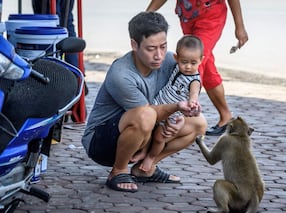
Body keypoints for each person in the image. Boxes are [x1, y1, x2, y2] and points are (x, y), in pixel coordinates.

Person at [81, 12, 207, 193]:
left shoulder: (172, 60)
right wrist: (176, 109)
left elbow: (193, 79)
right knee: (146, 114)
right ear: (134, 45)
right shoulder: (122, 74)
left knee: (199, 124)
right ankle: (118, 171)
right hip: (102, 142)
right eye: (151, 49)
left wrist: (180, 117)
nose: (159, 55)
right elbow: (149, 114)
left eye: (163, 47)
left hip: (146, 130)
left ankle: (146, 168)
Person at [146, 0, 249, 136]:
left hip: (211, 15)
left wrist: (239, 26)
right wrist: (148, 14)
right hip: (188, 17)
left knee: (193, 65)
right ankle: (226, 117)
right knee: (205, 66)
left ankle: (179, 118)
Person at [138, 35, 204, 172]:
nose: (188, 66)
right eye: (184, 61)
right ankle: (143, 150)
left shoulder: (194, 80)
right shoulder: (176, 67)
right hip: (158, 103)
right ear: (176, 58)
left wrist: (193, 102)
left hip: (172, 114)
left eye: (193, 63)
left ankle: (151, 157)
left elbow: (194, 94)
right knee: (148, 128)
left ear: (201, 61)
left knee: (159, 137)